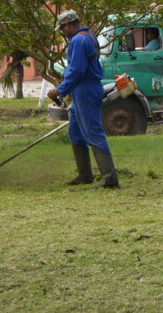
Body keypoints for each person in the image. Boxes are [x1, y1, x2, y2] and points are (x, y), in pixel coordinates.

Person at [47, 10, 119, 188]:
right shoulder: (87, 37)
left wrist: (60, 89)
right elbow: (75, 68)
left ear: (69, 25)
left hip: (86, 89)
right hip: (82, 90)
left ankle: (110, 179)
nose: (63, 32)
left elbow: (77, 70)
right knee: (76, 133)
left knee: (93, 132)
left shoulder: (79, 40)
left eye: (63, 28)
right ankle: (85, 175)